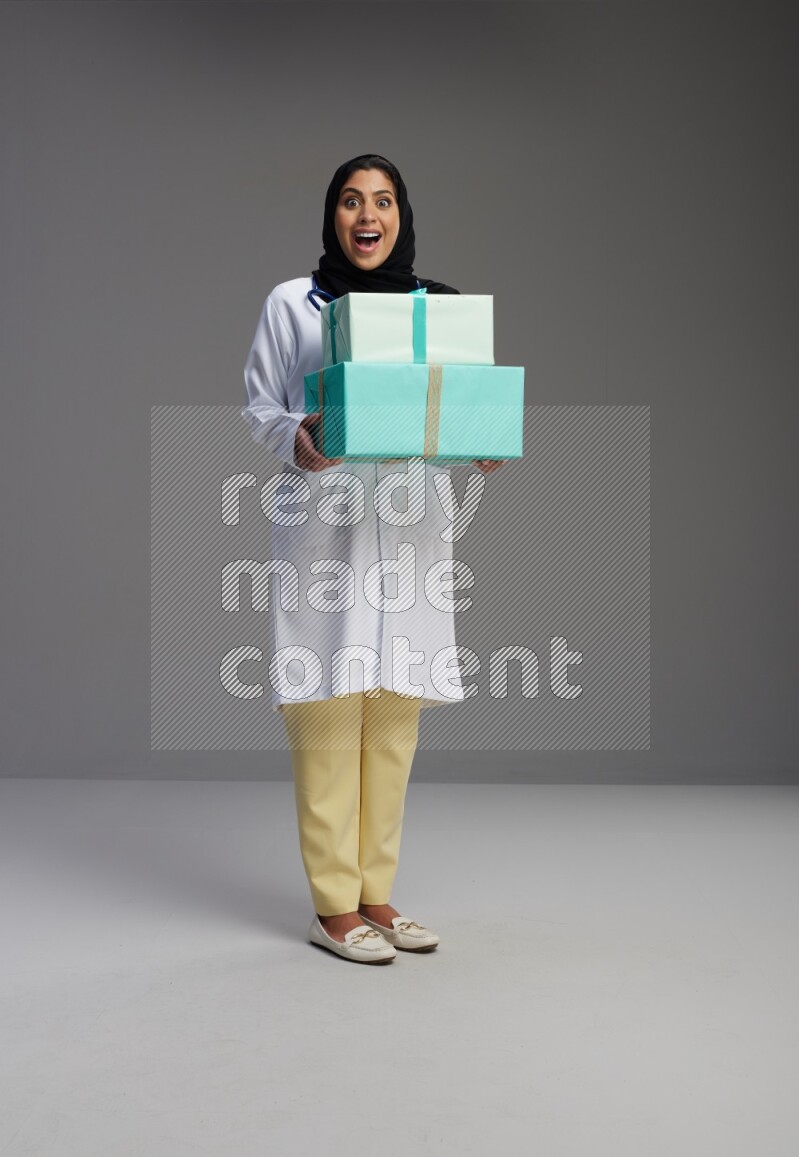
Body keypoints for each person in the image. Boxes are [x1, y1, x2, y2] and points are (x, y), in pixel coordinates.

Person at [241, 154, 505, 964]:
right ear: (333, 216)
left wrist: (481, 443)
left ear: (400, 216)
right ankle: (332, 905)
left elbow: (458, 404)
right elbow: (259, 401)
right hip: (327, 519)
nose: (368, 215)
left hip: (410, 524)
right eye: (352, 201)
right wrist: (299, 438)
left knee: (392, 710)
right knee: (325, 703)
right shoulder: (296, 303)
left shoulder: (438, 310)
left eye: (383, 201)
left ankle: (377, 893)